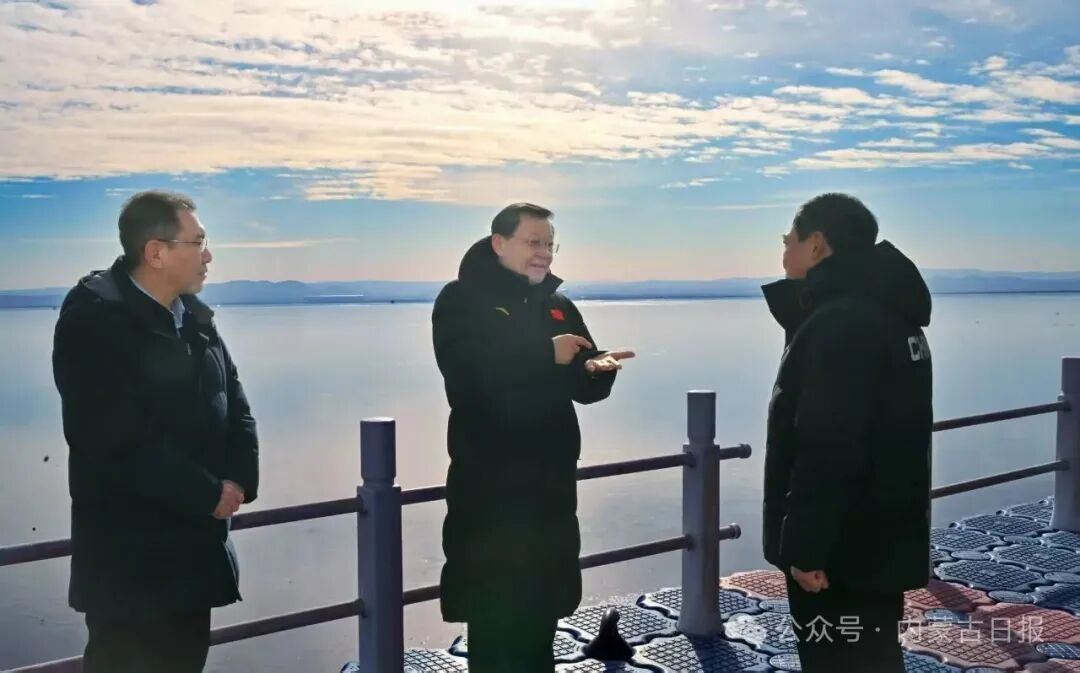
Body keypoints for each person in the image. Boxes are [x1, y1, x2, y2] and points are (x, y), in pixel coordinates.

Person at [52, 190, 259, 673]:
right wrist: (209, 493)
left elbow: (235, 403)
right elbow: (112, 441)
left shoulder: (195, 320)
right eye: (197, 242)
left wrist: (239, 481)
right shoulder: (94, 323)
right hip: (130, 569)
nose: (208, 255)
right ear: (156, 252)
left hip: (193, 557)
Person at [432, 203, 634, 672]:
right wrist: (546, 353)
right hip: (492, 489)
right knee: (495, 618)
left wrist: (595, 370)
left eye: (549, 243)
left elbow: (578, 380)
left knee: (542, 612)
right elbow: (466, 372)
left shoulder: (557, 304)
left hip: (549, 487)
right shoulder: (461, 299)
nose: (544, 252)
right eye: (533, 242)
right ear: (499, 243)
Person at [761, 193, 933, 672]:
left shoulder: (841, 323)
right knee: (874, 656)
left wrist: (806, 549)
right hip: (880, 538)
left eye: (788, 241)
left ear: (816, 244)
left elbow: (827, 446)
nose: (784, 252)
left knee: (839, 659)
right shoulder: (891, 313)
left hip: (841, 553)